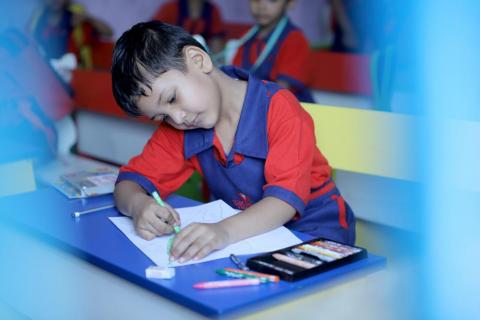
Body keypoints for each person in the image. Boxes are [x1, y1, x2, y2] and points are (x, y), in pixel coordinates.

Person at [111, 21, 355, 263]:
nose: (176, 117)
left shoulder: (279, 108)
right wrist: (138, 205)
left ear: (198, 60)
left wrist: (222, 232)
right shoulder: (182, 127)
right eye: (162, 116)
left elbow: (284, 202)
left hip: (317, 233)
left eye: (173, 98)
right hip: (249, 237)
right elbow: (129, 182)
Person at [232, 0, 314, 103]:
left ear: (290, 3)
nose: (262, 6)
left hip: (286, 109)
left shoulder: (295, 39)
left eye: (272, 1)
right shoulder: (246, 38)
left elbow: (281, 91)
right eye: (257, 0)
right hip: (254, 104)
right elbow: (234, 79)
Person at [29, 0, 113, 68]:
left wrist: (87, 17)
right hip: (43, 67)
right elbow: (30, 41)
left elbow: (109, 32)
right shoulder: (38, 17)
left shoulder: (74, 16)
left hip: (72, 70)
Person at [153, 0, 225, 54]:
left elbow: (217, 45)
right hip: (172, 54)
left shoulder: (212, 10)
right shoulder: (170, 8)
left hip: (201, 55)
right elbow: (153, 34)